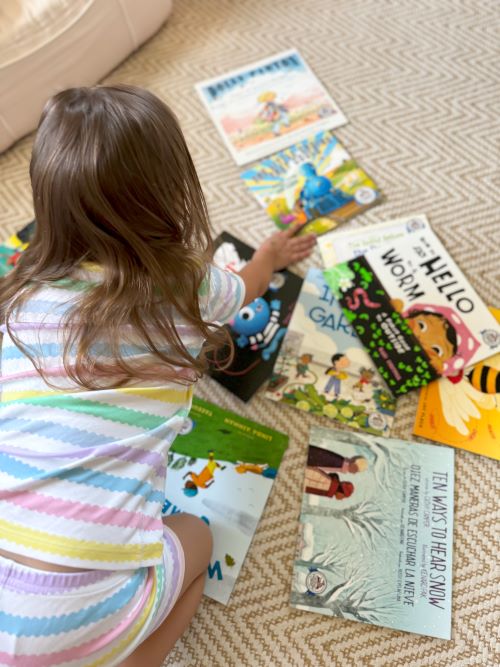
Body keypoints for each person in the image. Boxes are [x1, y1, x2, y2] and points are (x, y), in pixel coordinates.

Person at [0, 86, 315, 666]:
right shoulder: (188, 285)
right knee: (199, 536)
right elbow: (243, 289)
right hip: (81, 617)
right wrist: (267, 257)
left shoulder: (21, 299)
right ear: (171, 195)